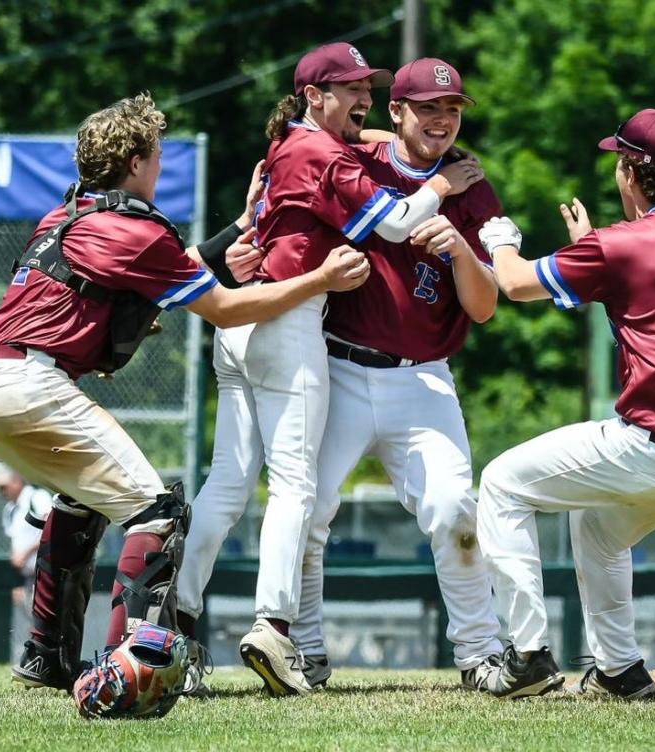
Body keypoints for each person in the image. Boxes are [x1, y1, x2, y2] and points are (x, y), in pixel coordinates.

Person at [0, 92, 370, 696]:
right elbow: (223, 308)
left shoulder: (67, 216)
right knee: (158, 511)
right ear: (135, 162)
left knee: (82, 498)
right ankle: (134, 667)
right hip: (28, 383)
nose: (161, 165)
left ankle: (47, 654)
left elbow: (152, 281)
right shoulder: (134, 229)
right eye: (157, 155)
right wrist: (321, 279)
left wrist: (242, 220)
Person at [175, 43, 483, 697]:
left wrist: (393, 131)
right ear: (314, 95)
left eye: (368, 89)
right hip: (289, 323)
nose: (363, 99)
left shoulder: (288, 141)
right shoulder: (323, 153)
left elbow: (355, 139)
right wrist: (438, 185)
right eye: (349, 90)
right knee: (295, 489)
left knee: (227, 487)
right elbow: (398, 225)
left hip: (240, 325)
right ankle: (274, 628)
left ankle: (174, 627)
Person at [474, 109, 655, 699]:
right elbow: (651, 312)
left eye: (619, 161)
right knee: (600, 530)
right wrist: (595, 252)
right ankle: (620, 671)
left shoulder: (620, 245)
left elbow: (516, 284)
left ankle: (527, 656)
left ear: (631, 172)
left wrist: (499, 239)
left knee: (501, 484)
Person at [289, 57, 504, 692]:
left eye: (453, 108)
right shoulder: (362, 163)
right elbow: (312, 143)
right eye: (428, 107)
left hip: (423, 379)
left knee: (453, 511)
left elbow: (485, 307)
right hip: (338, 367)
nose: (442, 119)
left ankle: (480, 654)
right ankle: (304, 649)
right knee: (309, 509)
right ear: (396, 111)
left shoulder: (473, 185)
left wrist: (461, 247)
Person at [0, 463, 53, 611]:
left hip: (48, 577)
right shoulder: (10, 509)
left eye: (4, 487)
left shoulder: (37, 497)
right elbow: (15, 548)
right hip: (27, 580)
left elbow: (51, 531)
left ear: (17, 481)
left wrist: (27, 553)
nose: (2, 492)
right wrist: (17, 582)